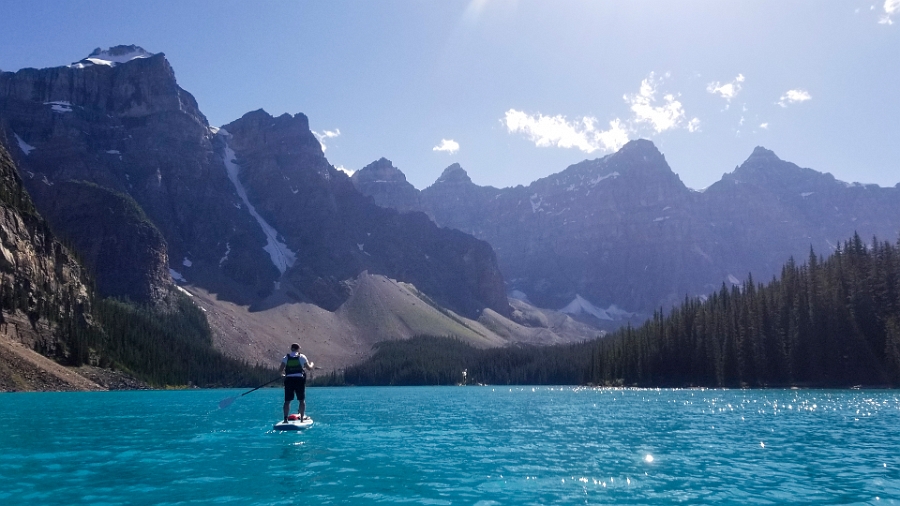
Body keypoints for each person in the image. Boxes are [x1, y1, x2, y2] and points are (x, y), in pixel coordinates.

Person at [278, 343, 314, 422]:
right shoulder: (302, 357)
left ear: (291, 349)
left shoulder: (286, 357)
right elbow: (309, 368)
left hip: (289, 380)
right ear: (298, 349)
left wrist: (283, 375)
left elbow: (280, 370)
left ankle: (285, 419)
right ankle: (301, 419)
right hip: (299, 380)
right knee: (301, 400)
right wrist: (312, 364)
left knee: (287, 401)